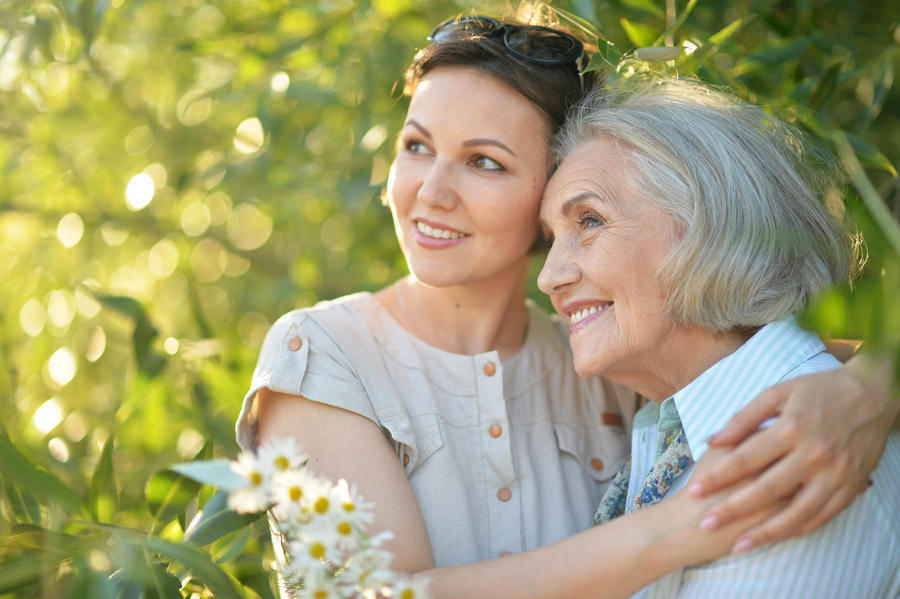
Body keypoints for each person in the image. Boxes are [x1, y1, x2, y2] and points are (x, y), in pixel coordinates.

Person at [235, 13, 897, 598]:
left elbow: (758, 351)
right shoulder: (320, 354)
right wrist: (676, 526)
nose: (430, 190)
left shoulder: (606, 354)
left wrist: (867, 392)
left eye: (485, 162)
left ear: (554, 188)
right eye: (416, 146)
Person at [538, 77, 899, 597]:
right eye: (551, 240)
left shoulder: (796, 448)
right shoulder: (670, 433)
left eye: (589, 221)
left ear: (712, 223)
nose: (549, 277)